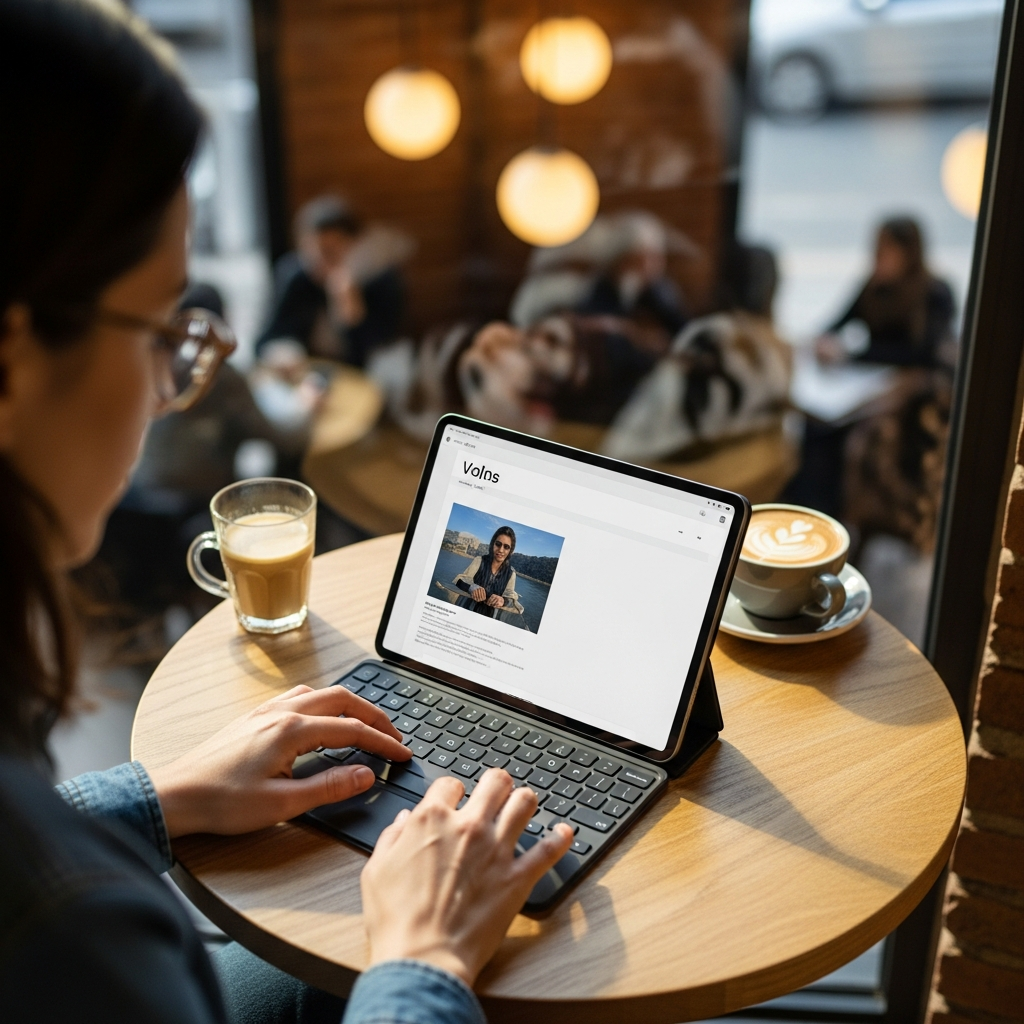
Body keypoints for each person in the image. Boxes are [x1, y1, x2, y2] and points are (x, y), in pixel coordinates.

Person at [0, 4, 572, 1023]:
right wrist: (422, 963)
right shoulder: (75, 937)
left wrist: (153, 798)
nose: (169, 388)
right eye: (160, 331)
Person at [256, 195, 408, 368]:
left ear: (357, 246)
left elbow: (380, 352)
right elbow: (266, 340)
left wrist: (353, 316)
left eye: (329, 252)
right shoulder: (297, 277)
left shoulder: (381, 280)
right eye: (309, 252)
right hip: (307, 376)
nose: (317, 262)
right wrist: (282, 352)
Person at [814, 217, 955, 369]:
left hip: (914, 380)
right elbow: (838, 323)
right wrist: (824, 342)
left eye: (885, 249)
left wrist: (847, 354)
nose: (876, 256)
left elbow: (923, 353)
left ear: (908, 255)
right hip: (874, 376)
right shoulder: (874, 288)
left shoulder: (935, 292)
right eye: (876, 248)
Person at [453, 528, 524, 619]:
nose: (501, 550)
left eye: (506, 547)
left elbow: (510, 596)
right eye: (498, 544)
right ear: (492, 544)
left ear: (510, 551)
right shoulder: (479, 560)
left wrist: (503, 600)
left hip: (489, 617)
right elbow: (460, 579)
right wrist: (472, 587)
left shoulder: (511, 573)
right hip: (466, 610)